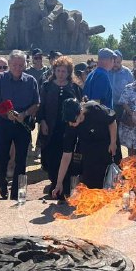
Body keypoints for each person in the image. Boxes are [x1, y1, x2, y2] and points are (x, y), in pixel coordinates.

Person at [0, 50, 40, 200]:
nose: (17, 67)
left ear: (25, 65)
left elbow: (36, 103)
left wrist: (25, 114)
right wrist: (5, 111)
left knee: (21, 158)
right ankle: (3, 185)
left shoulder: (31, 81)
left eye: (21, 64)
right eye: (15, 64)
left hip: (22, 124)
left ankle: (16, 191)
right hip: (4, 123)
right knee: (1, 157)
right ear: (9, 64)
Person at [52, 98, 117, 198]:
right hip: (87, 148)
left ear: (81, 112)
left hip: (105, 145)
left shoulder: (95, 109)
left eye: (74, 121)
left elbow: (112, 122)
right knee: (89, 179)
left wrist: (113, 142)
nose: (71, 124)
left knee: (106, 180)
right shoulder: (71, 126)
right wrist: (59, 183)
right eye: (69, 122)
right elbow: (66, 155)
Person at [38, 56, 82, 196]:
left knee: (67, 154)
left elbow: (80, 107)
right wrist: (42, 121)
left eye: (64, 71)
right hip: (51, 126)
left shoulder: (74, 87)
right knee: (52, 155)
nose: (61, 74)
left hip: (68, 127)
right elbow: (41, 106)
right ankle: (54, 183)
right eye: (58, 70)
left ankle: (65, 184)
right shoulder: (47, 86)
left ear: (69, 72)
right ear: (54, 71)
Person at [117, 65, 136, 156]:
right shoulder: (128, 87)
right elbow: (123, 102)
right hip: (130, 123)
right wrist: (132, 115)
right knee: (131, 149)